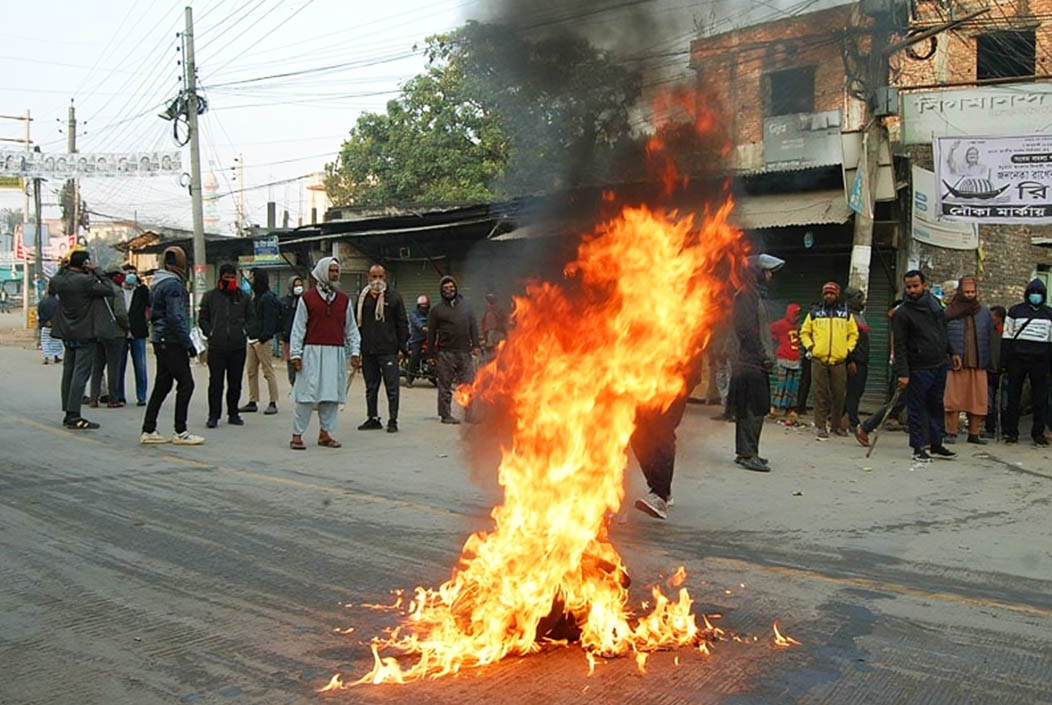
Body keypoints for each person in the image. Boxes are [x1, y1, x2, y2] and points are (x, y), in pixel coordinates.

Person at [288, 257, 361, 450]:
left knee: (331, 395)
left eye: (337, 271)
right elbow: (298, 328)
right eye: (331, 271)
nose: (335, 275)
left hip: (335, 354)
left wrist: (355, 352)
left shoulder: (344, 300)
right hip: (311, 353)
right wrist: (295, 355)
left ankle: (325, 434)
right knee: (305, 395)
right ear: (322, 272)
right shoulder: (307, 299)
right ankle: (297, 435)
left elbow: (351, 329)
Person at [140, 246, 204, 445]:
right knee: (186, 383)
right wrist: (188, 343)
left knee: (163, 384)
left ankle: (149, 429)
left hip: (160, 339)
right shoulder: (173, 285)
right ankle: (180, 431)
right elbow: (176, 317)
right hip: (171, 340)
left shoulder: (157, 282)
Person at [892, 270, 959, 462]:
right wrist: (903, 373)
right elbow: (899, 346)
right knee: (917, 408)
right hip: (918, 367)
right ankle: (918, 447)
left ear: (924, 285)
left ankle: (936, 443)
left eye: (915, 286)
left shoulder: (934, 305)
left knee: (936, 405)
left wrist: (952, 352)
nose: (912, 290)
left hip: (939, 363)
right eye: (909, 287)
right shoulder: (902, 313)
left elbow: (942, 331)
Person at [48, 250, 115, 430]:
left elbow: (52, 285)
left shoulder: (60, 280)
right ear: (85, 263)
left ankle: (67, 410)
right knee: (81, 374)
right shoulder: (85, 281)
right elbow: (109, 289)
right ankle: (74, 414)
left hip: (67, 332)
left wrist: (62, 269)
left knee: (68, 372)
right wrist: (97, 270)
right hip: (85, 332)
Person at [731, 253, 783, 473]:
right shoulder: (746, 295)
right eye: (767, 272)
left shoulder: (753, 294)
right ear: (757, 273)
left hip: (750, 361)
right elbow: (747, 331)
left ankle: (746, 451)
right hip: (750, 362)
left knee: (750, 408)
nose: (770, 276)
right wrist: (763, 356)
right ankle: (748, 454)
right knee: (753, 409)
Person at [799, 282, 859, 439]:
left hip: (839, 361)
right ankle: (820, 426)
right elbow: (804, 332)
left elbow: (853, 334)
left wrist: (847, 350)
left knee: (839, 394)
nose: (828, 296)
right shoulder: (814, 313)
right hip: (819, 360)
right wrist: (811, 347)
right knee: (820, 394)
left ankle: (836, 426)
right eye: (826, 293)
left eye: (831, 293)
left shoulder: (845, 314)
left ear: (837, 295)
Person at [198, 263, 254, 429]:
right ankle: (213, 416)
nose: (230, 280)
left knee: (235, 383)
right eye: (227, 277)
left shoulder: (244, 297)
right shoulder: (210, 296)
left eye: (232, 277)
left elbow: (252, 319)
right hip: (217, 347)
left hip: (237, 347)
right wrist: (210, 332)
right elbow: (203, 318)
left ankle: (233, 413)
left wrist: (244, 331)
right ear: (221, 278)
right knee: (216, 383)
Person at [355, 265, 409, 433]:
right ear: (368, 278)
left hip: (389, 351)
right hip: (368, 350)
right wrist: (356, 350)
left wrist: (402, 348)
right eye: (374, 277)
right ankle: (373, 418)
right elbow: (355, 325)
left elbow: (402, 323)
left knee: (392, 388)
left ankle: (392, 420)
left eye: (380, 276)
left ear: (385, 277)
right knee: (371, 387)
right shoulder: (362, 298)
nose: (377, 280)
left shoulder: (394, 297)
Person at [1001, 279, 1052, 446]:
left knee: (1040, 399)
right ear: (1027, 294)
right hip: (1017, 359)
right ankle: (1011, 432)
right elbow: (1007, 337)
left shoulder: (1049, 313)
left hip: (1040, 361)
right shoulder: (1015, 311)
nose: (1035, 296)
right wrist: (1004, 362)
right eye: (1033, 293)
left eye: (1039, 293)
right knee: (1013, 398)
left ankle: (1038, 433)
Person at [943, 277, 993, 445]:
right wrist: (950, 354)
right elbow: (943, 336)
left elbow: (989, 337)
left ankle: (974, 433)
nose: (970, 295)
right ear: (960, 292)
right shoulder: (950, 311)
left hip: (978, 362)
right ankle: (951, 432)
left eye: (972, 292)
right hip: (956, 362)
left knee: (978, 400)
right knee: (953, 400)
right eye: (967, 292)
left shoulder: (984, 313)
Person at [427, 275, 480, 425]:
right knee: (445, 385)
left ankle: (469, 414)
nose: (449, 290)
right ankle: (445, 415)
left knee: (468, 385)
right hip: (445, 353)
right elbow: (431, 333)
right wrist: (430, 354)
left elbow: (473, 327)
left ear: (456, 288)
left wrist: (476, 345)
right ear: (441, 291)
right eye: (445, 288)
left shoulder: (466, 307)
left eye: (451, 287)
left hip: (464, 352)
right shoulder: (436, 310)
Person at [240, 268, 281, 415]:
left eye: (252, 278)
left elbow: (269, 320)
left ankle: (273, 402)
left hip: (262, 340)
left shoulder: (267, 298)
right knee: (251, 371)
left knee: (268, 371)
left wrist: (264, 337)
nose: (250, 281)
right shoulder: (255, 297)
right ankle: (253, 401)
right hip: (252, 338)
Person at [88, 269, 129, 408]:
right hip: (115, 333)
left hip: (98, 332)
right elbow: (120, 313)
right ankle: (113, 399)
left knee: (97, 367)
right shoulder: (116, 291)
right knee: (113, 367)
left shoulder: (97, 291)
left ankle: (94, 398)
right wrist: (127, 327)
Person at [119, 265, 151, 406]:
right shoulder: (118, 291)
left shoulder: (142, 291)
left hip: (138, 332)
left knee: (140, 366)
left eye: (133, 273)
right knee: (119, 366)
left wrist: (147, 319)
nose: (131, 275)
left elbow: (149, 306)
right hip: (121, 332)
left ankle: (141, 396)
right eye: (128, 273)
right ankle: (119, 395)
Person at [768, 303, 802, 423]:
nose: (797, 316)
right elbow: (768, 330)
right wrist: (775, 339)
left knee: (792, 385)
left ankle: (788, 408)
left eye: (798, 314)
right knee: (781, 384)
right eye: (795, 313)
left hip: (795, 359)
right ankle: (773, 407)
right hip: (783, 358)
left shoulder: (798, 326)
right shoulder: (781, 324)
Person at [842, 287, 870, 433]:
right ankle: (853, 421)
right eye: (861, 299)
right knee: (854, 391)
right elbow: (847, 340)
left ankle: (838, 416)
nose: (864, 302)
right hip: (855, 360)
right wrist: (850, 360)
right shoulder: (848, 317)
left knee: (857, 390)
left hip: (862, 359)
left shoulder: (858, 316)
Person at [984, 305, 1007, 439]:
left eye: (992, 317)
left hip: (1004, 371)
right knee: (989, 402)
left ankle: (1006, 430)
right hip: (989, 370)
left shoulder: (1008, 333)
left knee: (1005, 403)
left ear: (999, 318)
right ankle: (990, 429)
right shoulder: (987, 332)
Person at [279, 276, 305, 386]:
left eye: (300, 285)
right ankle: (293, 386)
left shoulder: (305, 300)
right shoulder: (284, 301)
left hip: (303, 339)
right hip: (288, 338)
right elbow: (280, 320)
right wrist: (281, 337)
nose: (298, 287)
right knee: (291, 365)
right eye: (296, 285)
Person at [407, 294, 430, 386]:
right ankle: (409, 379)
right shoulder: (414, 314)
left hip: (429, 338)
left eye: (426, 305)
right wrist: (423, 327)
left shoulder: (430, 314)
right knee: (415, 356)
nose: (424, 307)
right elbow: (417, 322)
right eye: (422, 306)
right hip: (417, 339)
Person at [480, 292, 508, 362]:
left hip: (494, 340)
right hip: (503, 338)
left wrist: (488, 343)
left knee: (492, 360)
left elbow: (491, 329)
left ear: (487, 302)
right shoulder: (500, 311)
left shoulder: (490, 313)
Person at [38, 292, 63, 364]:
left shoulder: (42, 302)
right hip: (56, 325)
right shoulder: (58, 303)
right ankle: (56, 357)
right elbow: (60, 313)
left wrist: (45, 321)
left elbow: (40, 313)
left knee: (45, 341)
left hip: (45, 325)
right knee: (56, 341)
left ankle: (46, 358)